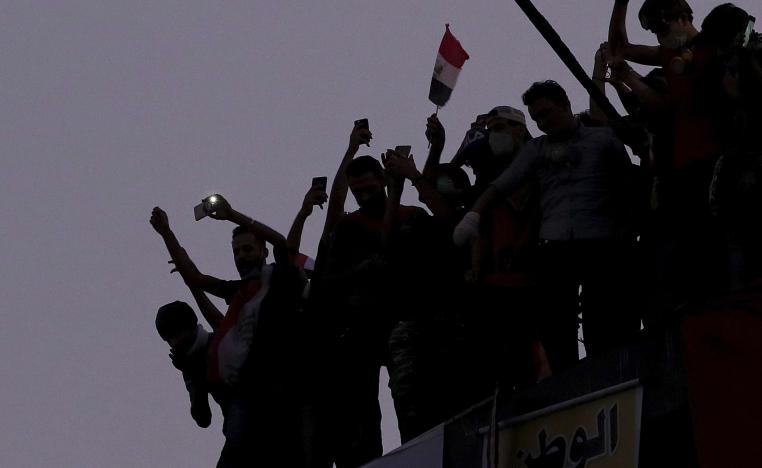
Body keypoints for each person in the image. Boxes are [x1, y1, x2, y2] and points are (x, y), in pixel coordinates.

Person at [454, 81, 640, 373]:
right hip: (555, 245)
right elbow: (501, 185)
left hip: (600, 240)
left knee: (601, 321)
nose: (543, 122)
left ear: (565, 105)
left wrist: (626, 228)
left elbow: (626, 185)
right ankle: (566, 379)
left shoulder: (602, 140)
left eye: (547, 113)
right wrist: (474, 214)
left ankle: (606, 375)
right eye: (537, 117)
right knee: (555, 323)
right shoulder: (535, 149)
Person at [150, 200, 304, 467]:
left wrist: (232, 215)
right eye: (236, 252)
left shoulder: (279, 279)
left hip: (282, 386)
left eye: (248, 249)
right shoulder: (237, 294)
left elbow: (281, 244)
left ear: (262, 252)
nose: (242, 256)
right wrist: (167, 233)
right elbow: (195, 278)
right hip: (247, 393)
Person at [155, 300, 225, 430]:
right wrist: (192, 372)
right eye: (170, 339)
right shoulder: (189, 364)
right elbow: (202, 418)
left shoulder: (221, 342)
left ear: (190, 327)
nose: (175, 342)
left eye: (177, 334)